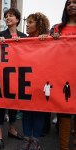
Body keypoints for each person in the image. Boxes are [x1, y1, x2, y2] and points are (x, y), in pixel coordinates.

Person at [17, 12, 50, 150]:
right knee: (27, 111)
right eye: (27, 22)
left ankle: (35, 140)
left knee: (38, 111)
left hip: (41, 81)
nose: (27, 25)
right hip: (26, 80)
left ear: (39, 24)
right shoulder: (23, 39)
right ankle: (27, 140)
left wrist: (48, 39)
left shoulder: (48, 39)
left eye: (30, 22)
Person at [0, 8, 26, 150]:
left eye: (11, 16)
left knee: (14, 104)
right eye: (6, 16)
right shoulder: (1, 34)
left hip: (18, 76)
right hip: (3, 76)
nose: (8, 18)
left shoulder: (24, 36)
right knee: (1, 105)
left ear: (17, 20)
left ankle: (12, 128)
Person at [51, 0, 76, 150]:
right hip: (63, 75)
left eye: (75, 2)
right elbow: (48, 49)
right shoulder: (57, 28)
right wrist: (47, 39)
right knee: (64, 112)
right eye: (69, 4)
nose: (72, 5)